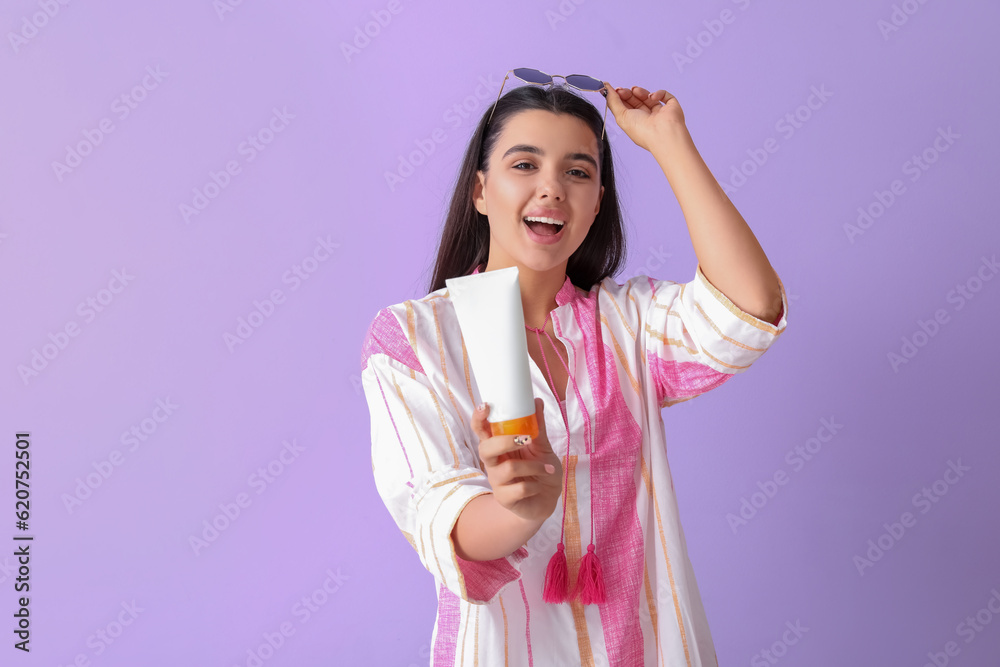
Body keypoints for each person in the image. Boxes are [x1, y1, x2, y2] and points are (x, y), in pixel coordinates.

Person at [360, 69, 789, 667]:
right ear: (480, 191)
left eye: (578, 172)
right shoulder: (414, 339)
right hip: (509, 648)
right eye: (524, 165)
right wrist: (518, 508)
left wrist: (669, 142)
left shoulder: (628, 323)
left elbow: (748, 310)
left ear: (597, 203)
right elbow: (439, 517)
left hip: (647, 641)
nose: (552, 188)